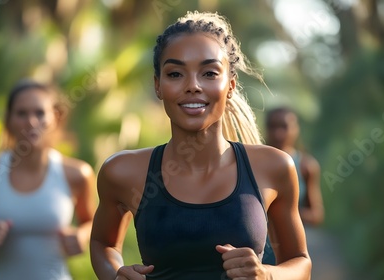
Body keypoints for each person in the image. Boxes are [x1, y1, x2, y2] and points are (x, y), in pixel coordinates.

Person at [90, 11, 311, 280]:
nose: (193, 86)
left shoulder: (273, 167)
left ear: (230, 85)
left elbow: (300, 262)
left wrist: (266, 275)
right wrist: (115, 275)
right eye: (175, 74)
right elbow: (104, 245)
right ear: (158, 86)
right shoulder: (122, 171)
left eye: (209, 73)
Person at [0, 79, 96, 280]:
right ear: (8, 120)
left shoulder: (78, 174)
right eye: (21, 113)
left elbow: (93, 224)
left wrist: (82, 235)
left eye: (39, 113)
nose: (31, 121)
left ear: (55, 118)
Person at [262, 107, 324, 266]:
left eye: (284, 127)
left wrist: (284, 213)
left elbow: (316, 214)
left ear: (296, 129)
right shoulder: (254, 162)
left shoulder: (306, 166)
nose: (278, 133)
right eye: (272, 126)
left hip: (290, 250)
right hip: (258, 249)